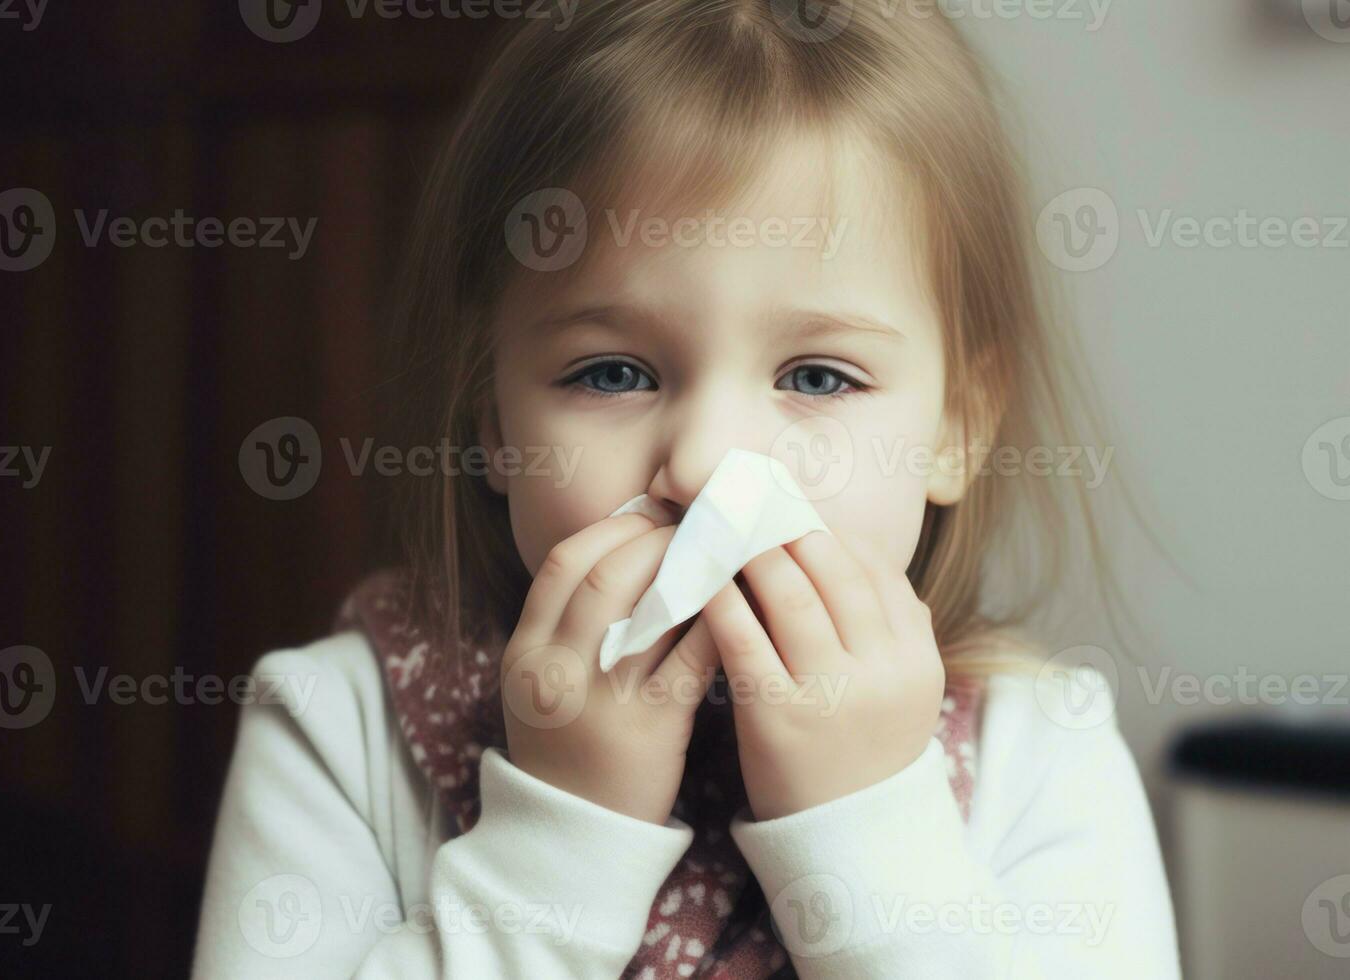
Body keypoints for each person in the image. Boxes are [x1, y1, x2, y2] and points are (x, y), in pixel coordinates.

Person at [191, 1, 1182, 976]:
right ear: (491, 418)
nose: (706, 464)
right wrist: (561, 840)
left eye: (818, 376)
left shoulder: (1045, 752)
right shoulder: (339, 722)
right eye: (612, 372)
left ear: (957, 425)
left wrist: (868, 833)